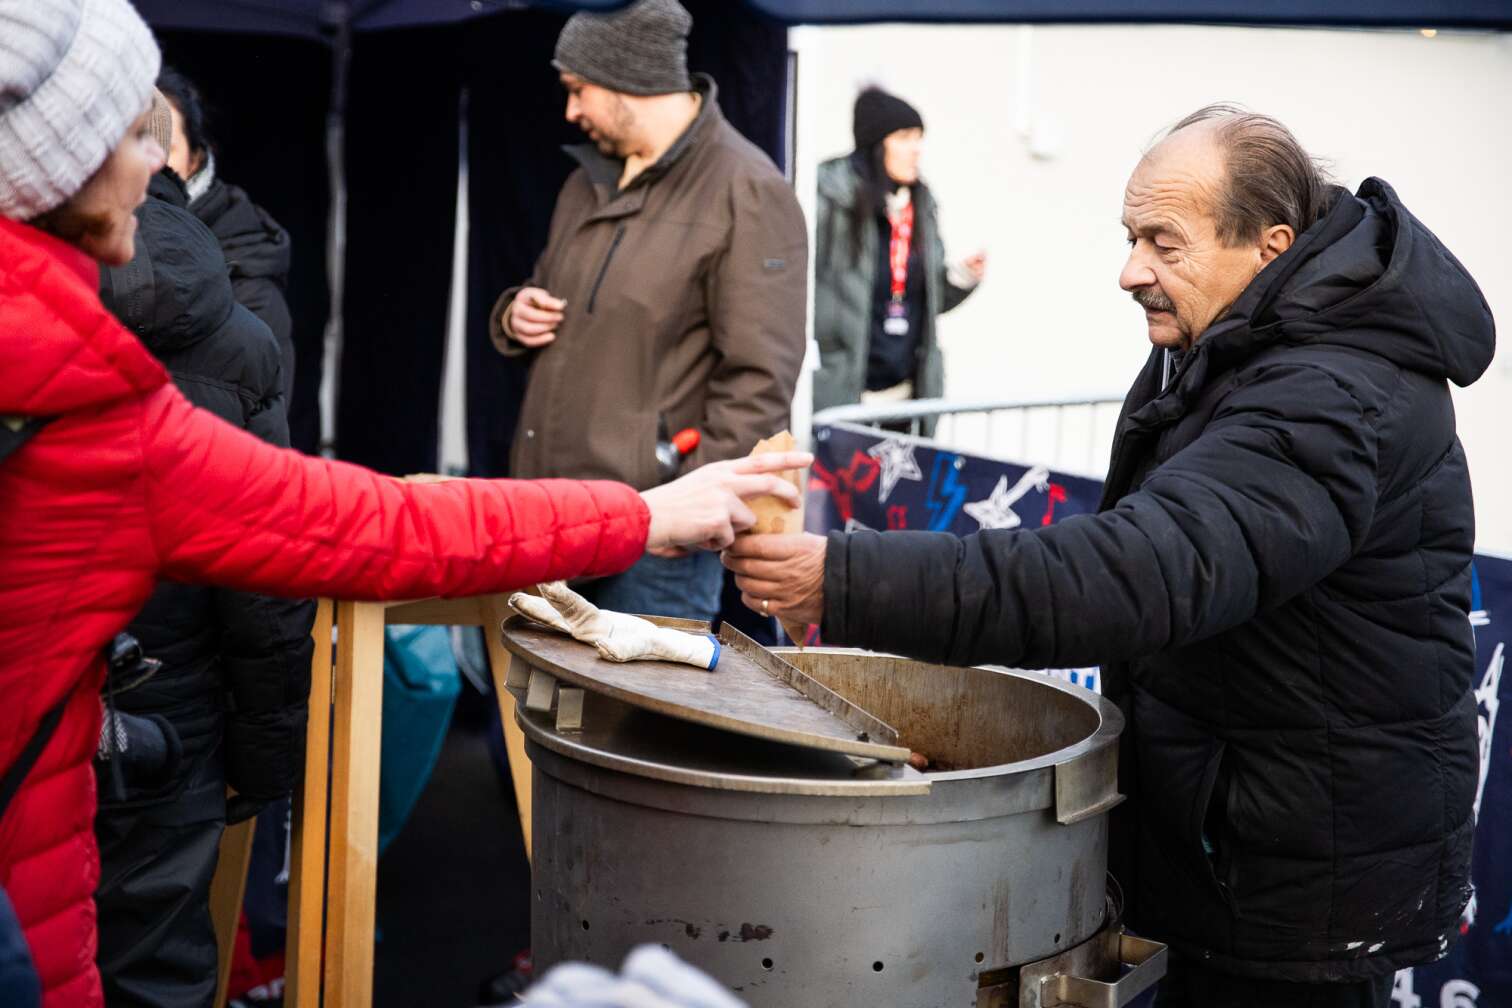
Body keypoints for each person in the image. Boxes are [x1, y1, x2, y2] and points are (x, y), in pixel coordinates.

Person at [0, 3, 808, 1005]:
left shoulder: (743, 191)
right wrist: (620, 475)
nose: (163, 165)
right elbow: (357, 526)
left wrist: (669, 494)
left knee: (635, 772)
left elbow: (756, 371)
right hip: (32, 899)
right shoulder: (96, 409)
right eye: (135, 135)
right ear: (59, 164)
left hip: (631, 531)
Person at [726, 104, 1494, 1008]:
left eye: (1165, 243)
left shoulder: (1331, 394)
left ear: (1272, 246)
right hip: (1239, 832)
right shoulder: (1244, 334)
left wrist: (843, 580)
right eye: (1132, 238)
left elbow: (1140, 570)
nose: (1132, 272)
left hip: (1296, 880)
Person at [89, 91, 317, 1006]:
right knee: (158, 968)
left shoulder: (42, 304)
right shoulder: (237, 331)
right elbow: (265, 568)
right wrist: (264, 769)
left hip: (58, 697)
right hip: (172, 709)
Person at [489, 0, 808, 624]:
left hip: (654, 548)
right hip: (550, 525)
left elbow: (759, 382)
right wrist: (514, 314)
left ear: (628, 81)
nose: (570, 111)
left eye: (577, 89)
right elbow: (561, 297)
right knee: (542, 717)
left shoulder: (749, 191)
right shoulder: (585, 181)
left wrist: (688, 512)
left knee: (628, 722)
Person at [811, 87, 985, 425]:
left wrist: (960, 278)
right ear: (877, 144)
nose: (916, 149)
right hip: (843, 397)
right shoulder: (831, 198)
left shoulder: (920, 204)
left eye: (919, 138)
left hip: (905, 401)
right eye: (905, 137)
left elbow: (922, 301)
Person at [154, 66, 297, 402]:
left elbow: (256, 413)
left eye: (166, 148)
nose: (149, 163)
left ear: (195, 158)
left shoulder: (246, 267)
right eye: (134, 143)